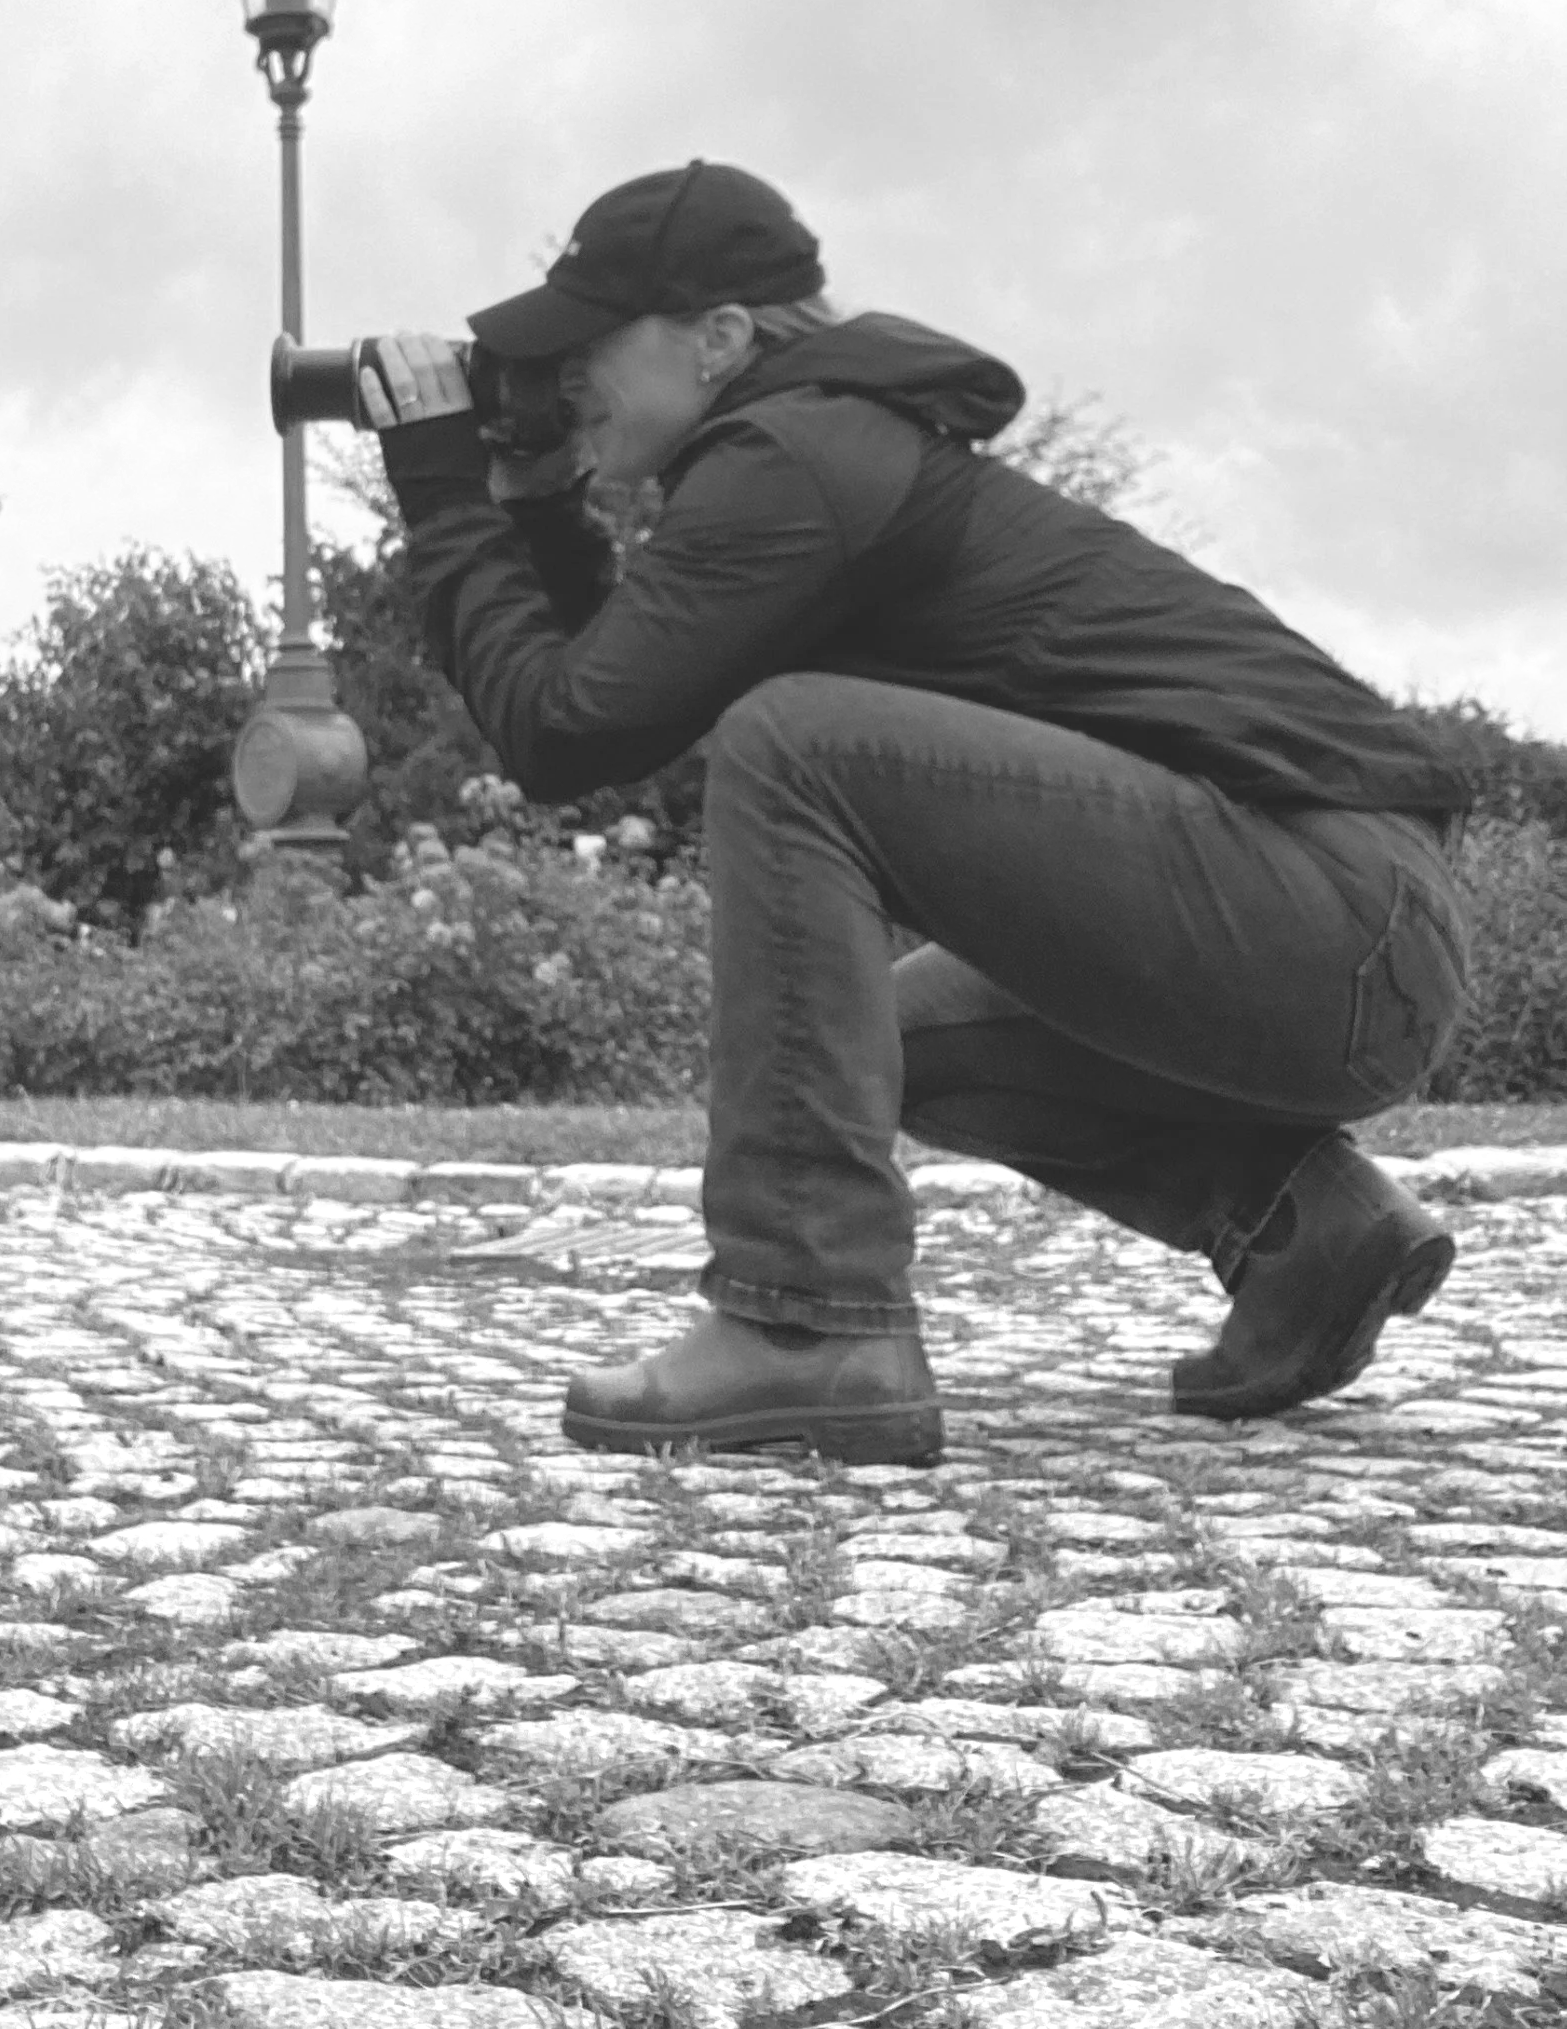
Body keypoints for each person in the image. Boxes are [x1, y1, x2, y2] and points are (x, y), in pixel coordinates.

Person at [365, 160, 1472, 1465]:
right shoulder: (817, 453)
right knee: (871, 1040)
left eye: (586, 350)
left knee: (792, 741)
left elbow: (567, 733)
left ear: (720, 339)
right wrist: (535, 501)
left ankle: (806, 1322)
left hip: (1331, 913)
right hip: (1346, 938)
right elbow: (590, 695)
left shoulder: (797, 452)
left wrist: (438, 489)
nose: (566, 382)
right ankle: (1302, 1224)